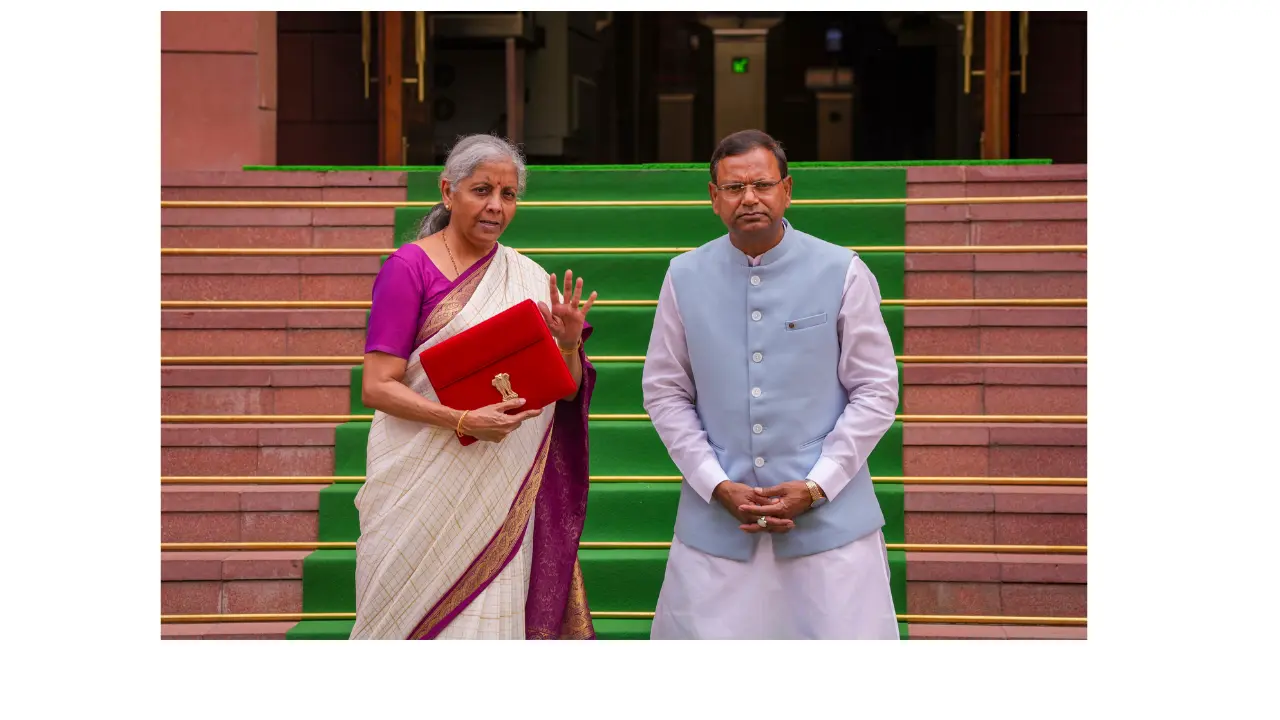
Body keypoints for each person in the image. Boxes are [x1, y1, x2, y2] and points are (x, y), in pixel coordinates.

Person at [641, 129, 901, 640]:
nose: (749, 199)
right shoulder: (684, 276)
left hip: (830, 527)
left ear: (787, 189)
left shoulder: (842, 269)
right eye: (734, 188)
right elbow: (665, 390)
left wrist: (818, 484)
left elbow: (875, 390)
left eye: (761, 185)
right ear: (714, 198)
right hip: (717, 524)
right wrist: (714, 482)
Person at [350, 134, 599, 640]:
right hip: (418, 488)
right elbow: (377, 387)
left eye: (508, 195)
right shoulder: (408, 269)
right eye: (481, 190)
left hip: (500, 496)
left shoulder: (525, 276)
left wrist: (569, 344)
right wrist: (463, 420)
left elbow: (565, 392)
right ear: (448, 192)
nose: (496, 207)